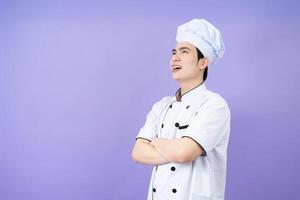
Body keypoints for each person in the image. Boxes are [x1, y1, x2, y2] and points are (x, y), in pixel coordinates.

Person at [131, 18, 231, 200]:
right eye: (174, 52)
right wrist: (175, 149)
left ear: (203, 63)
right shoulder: (161, 106)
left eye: (184, 52)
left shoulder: (215, 105)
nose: (175, 58)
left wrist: (156, 142)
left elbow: (185, 153)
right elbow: (138, 153)